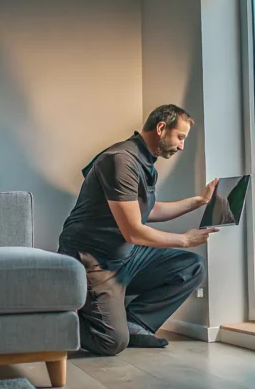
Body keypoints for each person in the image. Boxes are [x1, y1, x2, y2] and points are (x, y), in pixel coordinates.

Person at [59, 104, 219, 356]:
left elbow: (148, 212)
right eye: (180, 137)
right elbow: (133, 230)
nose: (181, 146)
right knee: (111, 342)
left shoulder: (145, 161)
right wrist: (184, 240)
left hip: (125, 256)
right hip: (93, 260)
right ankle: (54, 316)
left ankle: (135, 325)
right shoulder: (121, 160)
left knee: (191, 267)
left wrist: (198, 201)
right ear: (161, 128)